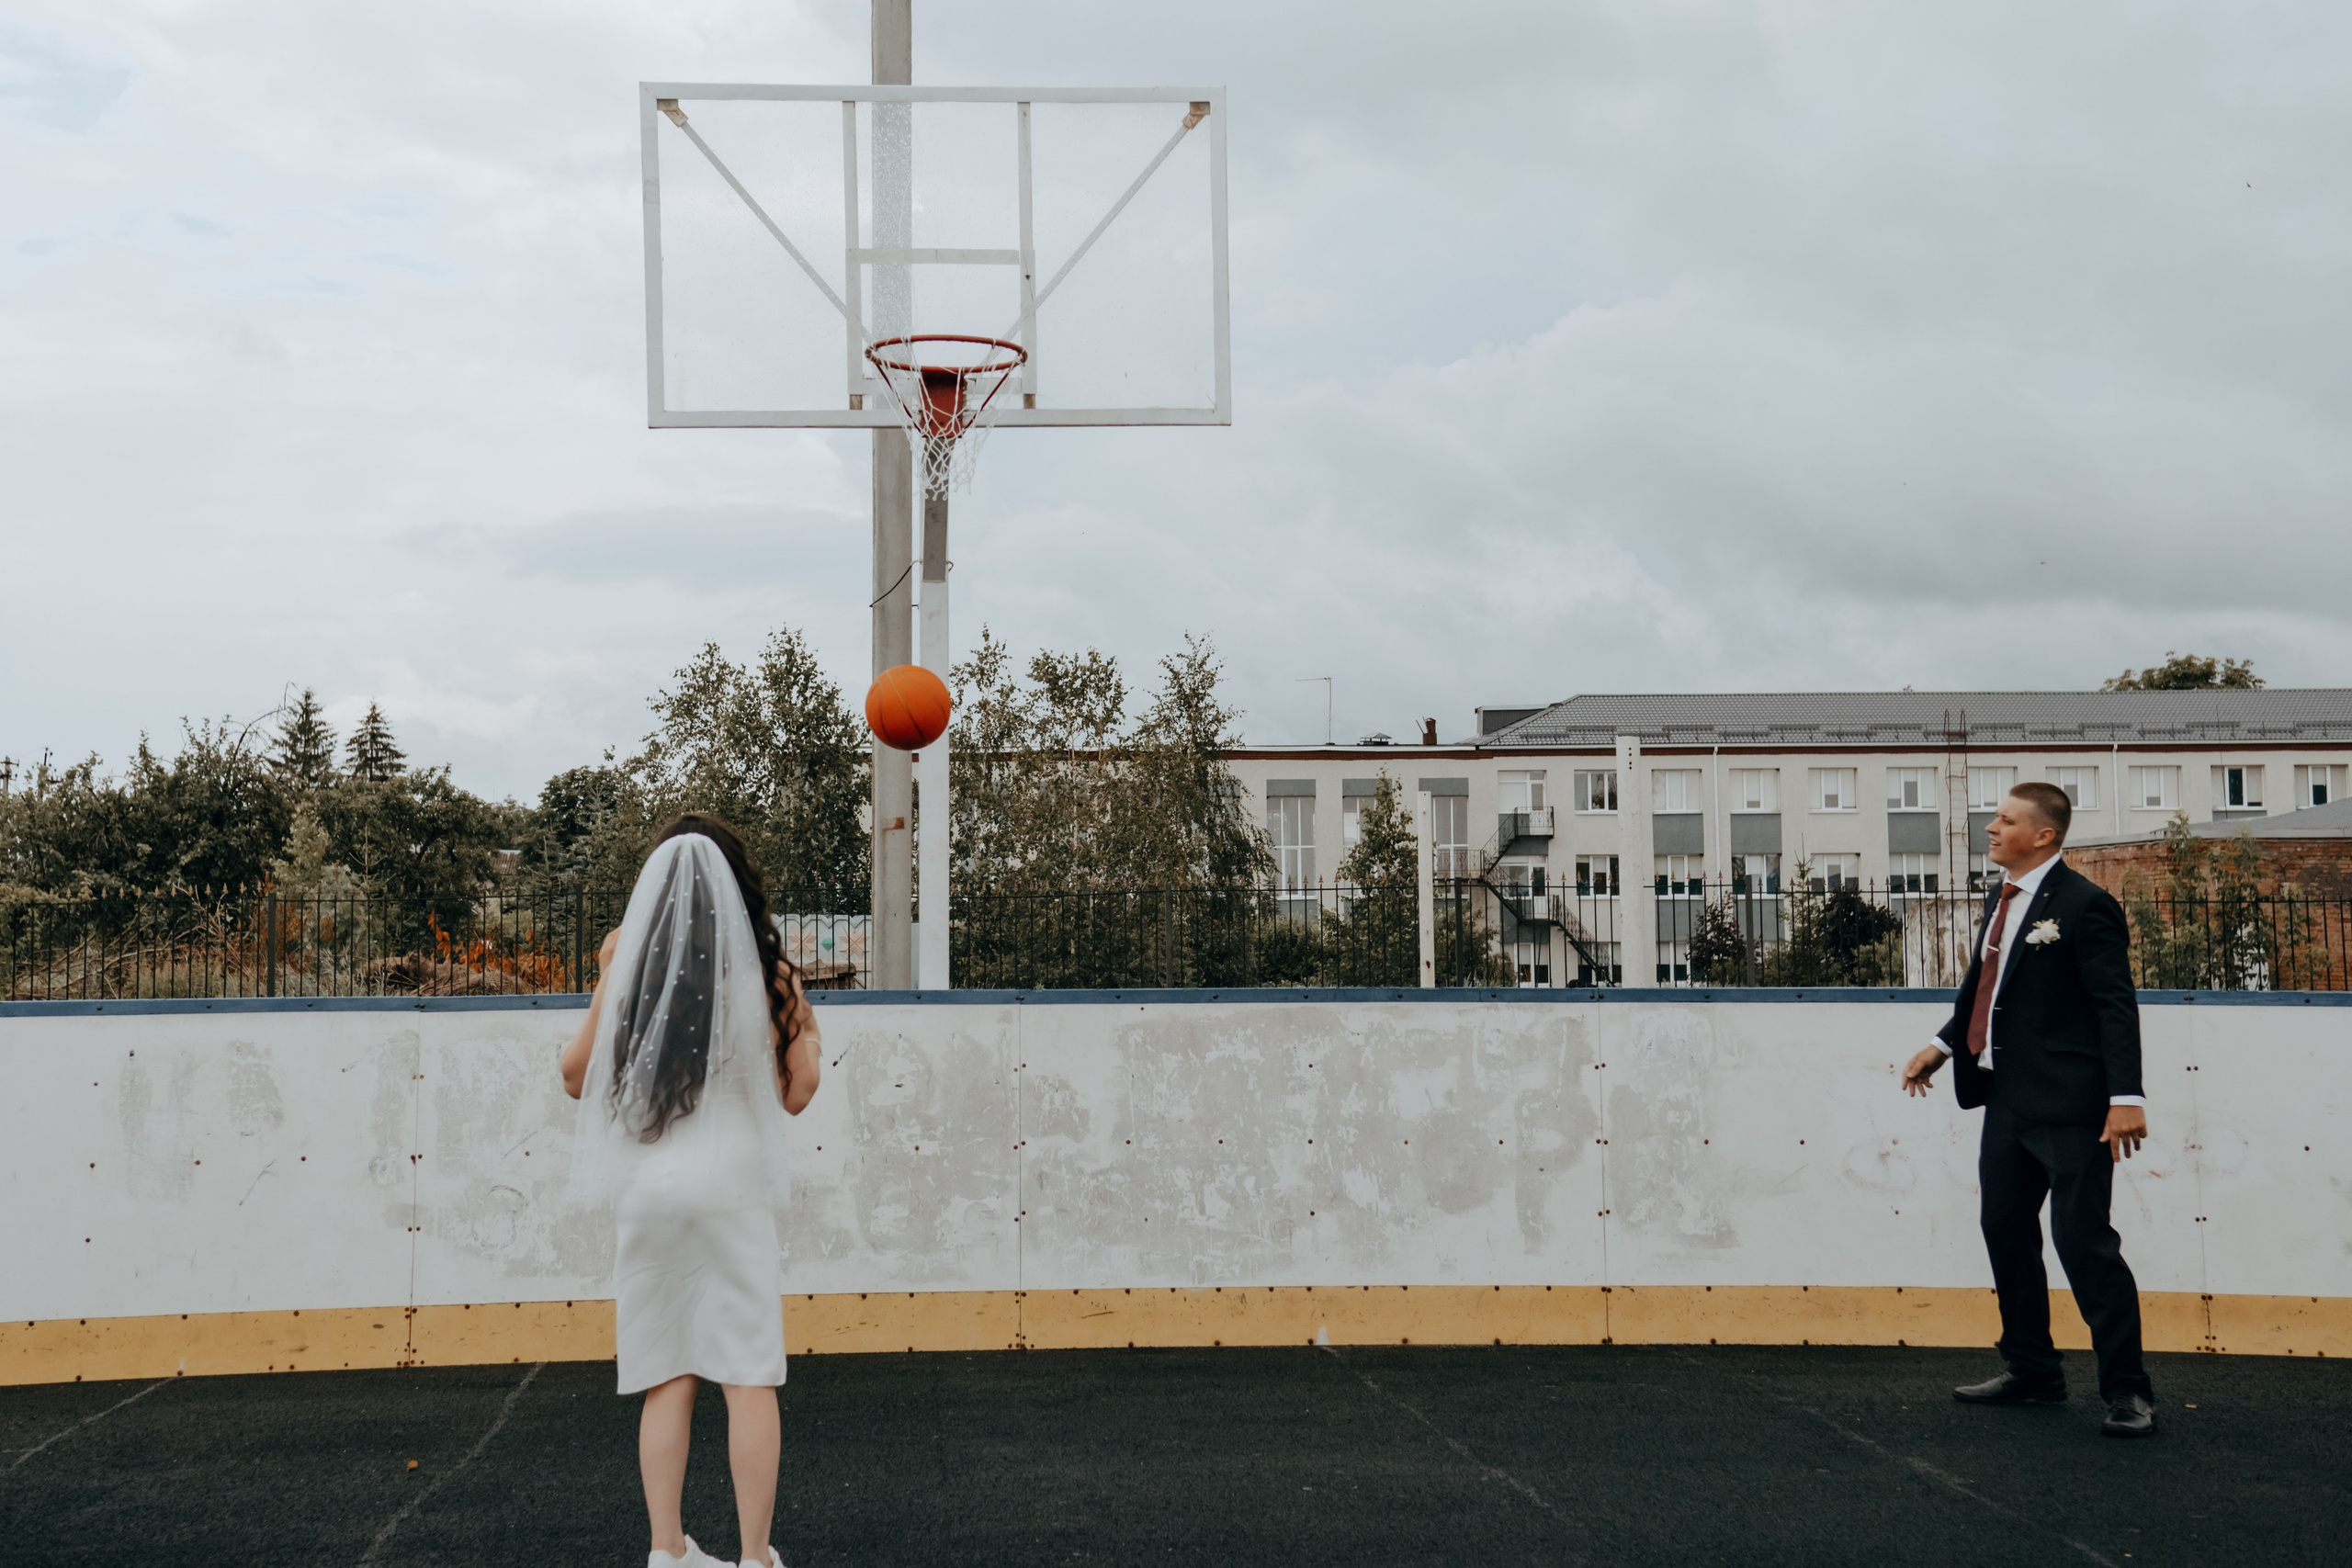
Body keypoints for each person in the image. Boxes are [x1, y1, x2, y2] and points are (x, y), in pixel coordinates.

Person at [561, 815, 823, 1567]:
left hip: (649, 1190)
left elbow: (576, 1077)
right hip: (731, 1190)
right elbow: (798, 1092)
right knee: (748, 1375)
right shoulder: (768, 974)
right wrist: (806, 1028)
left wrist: (609, 973)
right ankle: (753, 1556)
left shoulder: (632, 967)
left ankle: (667, 1550)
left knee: (665, 1375)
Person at [1902, 782, 2155, 1438]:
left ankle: (2128, 1390)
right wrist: (1942, 1045)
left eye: (2005, 820)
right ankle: (2033, 1369)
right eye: (1995, 817)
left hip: (2072, 1106)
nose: (1991, 828)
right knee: (2006, 1232)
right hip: (2007, 1101)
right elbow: (1988, 990)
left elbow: (2114, 1005)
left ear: (2044, 835)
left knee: (2084, 1245)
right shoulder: (2002, 896)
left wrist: (2126, 1097)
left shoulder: (2086, 905)